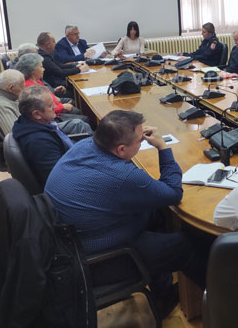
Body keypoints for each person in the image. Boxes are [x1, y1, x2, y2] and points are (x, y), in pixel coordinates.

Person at [45, 110, 206, 313]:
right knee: (186, 245)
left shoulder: (85, 145)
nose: (143, 141)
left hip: (69, 243)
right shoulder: (122, 176)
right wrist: (163, 147)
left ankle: (161, 287)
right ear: (121, 149)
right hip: (99, 259)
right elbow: (173, 193)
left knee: (156, 213)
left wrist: (134, 135)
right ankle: (211, 300)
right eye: (140, 140)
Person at [11, 86, 75, 187]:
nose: (55, 107)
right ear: (37, 114)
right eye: (50, 106)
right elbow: (60, 178)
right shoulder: (39, 142)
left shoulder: (35, 122)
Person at [14, 53, 92, 135]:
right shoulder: (30, 87)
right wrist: (62, 107)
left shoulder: (37, 80)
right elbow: (42, 111)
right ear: (32, 70)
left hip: (55, 111)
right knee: (84, 119)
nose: (44, 69)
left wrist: (54, 91)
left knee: (78, 110)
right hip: (51, 119)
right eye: (41, 67)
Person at [0, 69, 26, 138]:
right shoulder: (0, 106)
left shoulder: (12, 98)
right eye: (21, 85)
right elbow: (14, 135)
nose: (24, 87)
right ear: (11, 88)